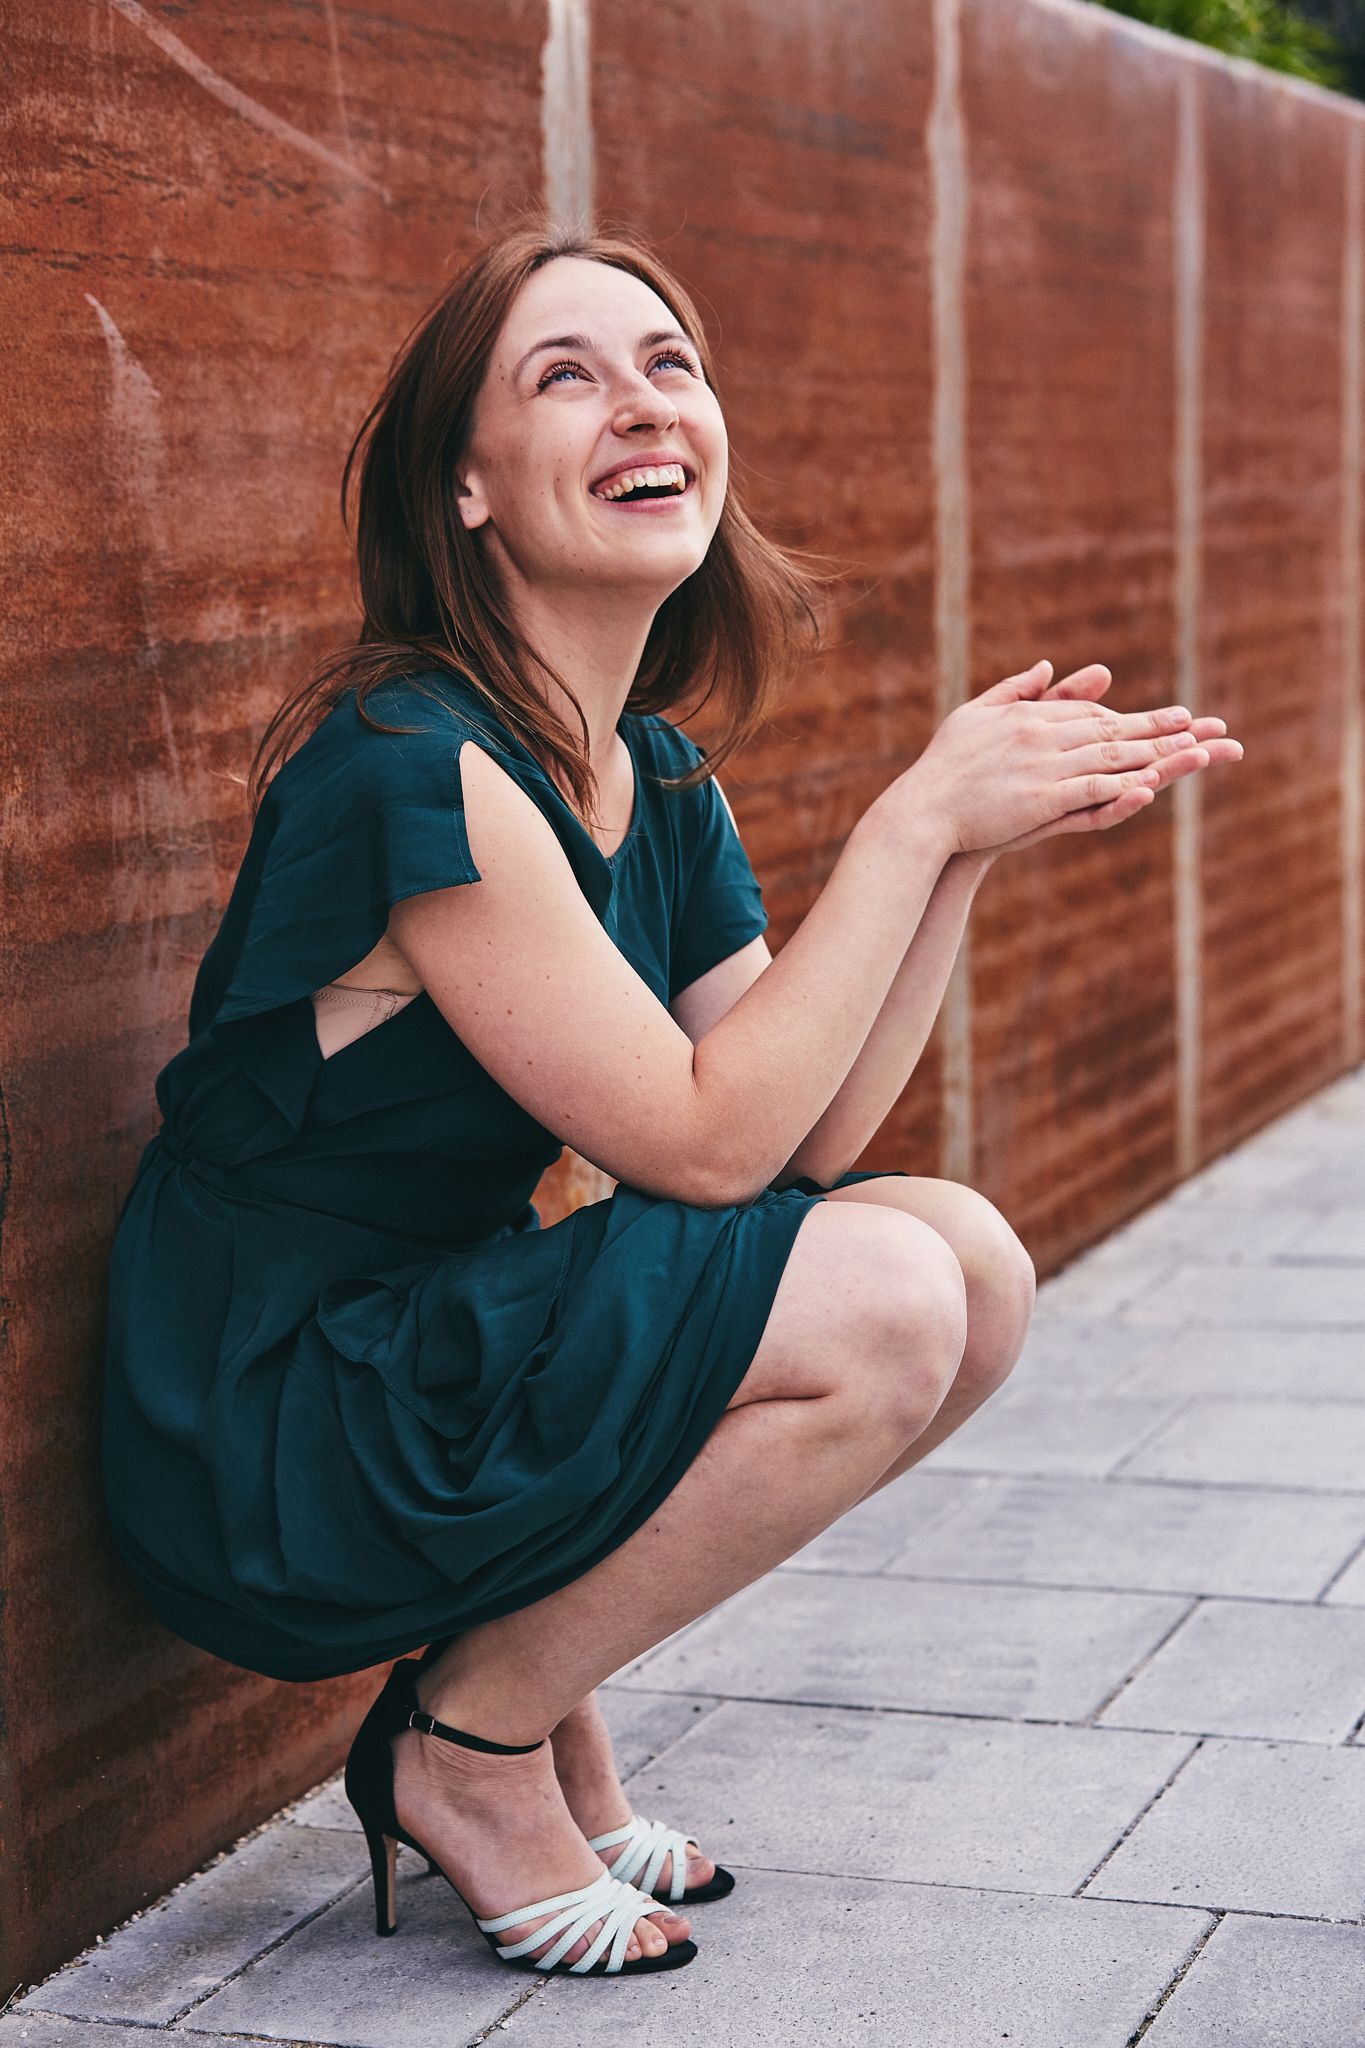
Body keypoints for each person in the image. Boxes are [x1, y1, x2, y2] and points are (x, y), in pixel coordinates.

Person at [99, 219, 1242, 1983]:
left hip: (436, 1338)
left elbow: (808, 1141)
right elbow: (706, 1146)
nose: (642, 404)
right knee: (881, 1295)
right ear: (466, 488)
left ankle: (530, 1720)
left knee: (965, 1263)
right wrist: (905, 822)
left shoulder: (652, 774)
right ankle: (469, 1751)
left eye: (670, 365)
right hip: (270, 1411)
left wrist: (961, 854)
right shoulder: (415, 767)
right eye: (565, 376)